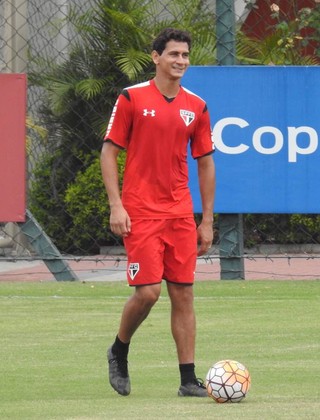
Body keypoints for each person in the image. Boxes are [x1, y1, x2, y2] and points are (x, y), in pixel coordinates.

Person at [100, 27, 216, 397]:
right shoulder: (131, 97)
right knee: (148, 293)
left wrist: (207, 220)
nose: (180, 61)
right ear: (156, 57)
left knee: (183, 294)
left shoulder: (196, 105)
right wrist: (116, 205)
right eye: (173, 54)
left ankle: (187, 380)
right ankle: (119, 349)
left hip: (180, 213)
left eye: (185, 55)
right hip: (141, 212)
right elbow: (109, 152)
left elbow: (206, 163)